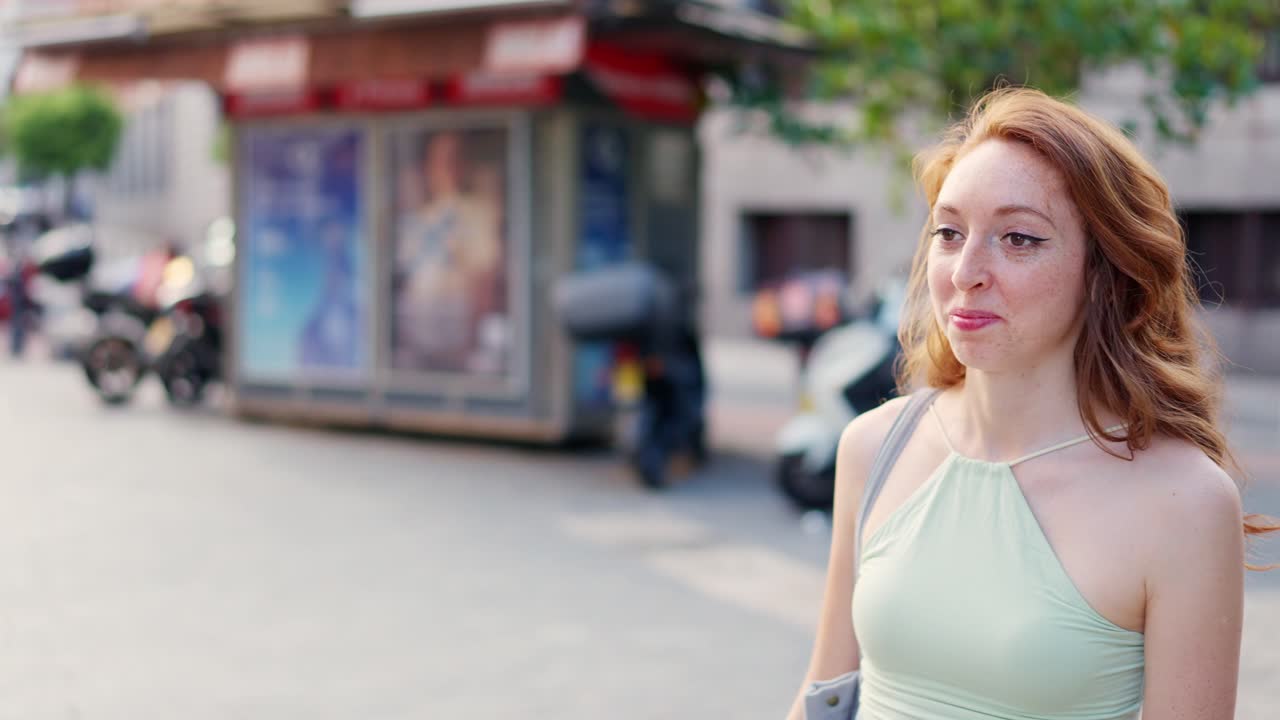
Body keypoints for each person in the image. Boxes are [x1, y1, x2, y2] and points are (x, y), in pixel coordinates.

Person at [786, 88, 1279, 720]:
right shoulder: (875, 445)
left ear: (1104, 273)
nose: (966, 270)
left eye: (1018, 238)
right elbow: (823, 693)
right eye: (949, 231)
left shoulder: (1184, 502)